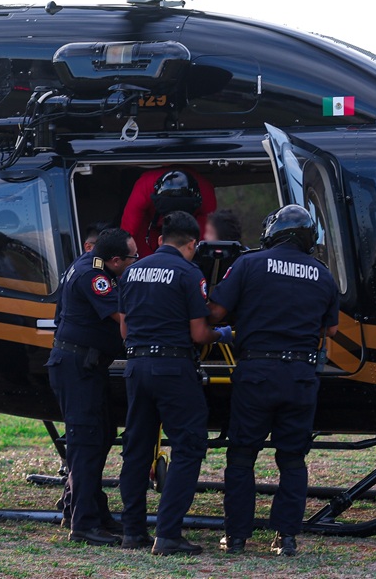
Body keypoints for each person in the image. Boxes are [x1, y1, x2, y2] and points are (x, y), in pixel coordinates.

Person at [208, 204, 340, 556]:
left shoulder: (249, 263)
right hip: (300, 376)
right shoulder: (322, 274)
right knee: (293, 459)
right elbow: (331, 328)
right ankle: (286, 537)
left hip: (257, 373)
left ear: (273, 233)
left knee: (241, 457)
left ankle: (236, 537)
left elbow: (215, 310)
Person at [117, 211, 232, 555]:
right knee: (188, 445)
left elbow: (124, 331)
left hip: (136, 365)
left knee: (136, 449)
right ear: (192, 243)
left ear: (162, 238)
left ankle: (133, 532)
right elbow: (199, 333)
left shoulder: (132, 270)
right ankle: (167, 534)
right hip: (173, 367)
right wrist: (223, 333)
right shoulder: (188, 272)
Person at [46, 228, 139, 546]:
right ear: (115, 260)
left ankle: (87, 511)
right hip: (77, 367)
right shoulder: (93, 276)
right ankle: (83, 524)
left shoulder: (91, 264)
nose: (135, 262)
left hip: (87, 366)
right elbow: (124, 319)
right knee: (86, 443)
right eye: (132, 258)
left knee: (100, 436)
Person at [121, 167, 217, 258]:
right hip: (151, 226)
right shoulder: (145, 186)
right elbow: (128, 232)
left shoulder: (206, 193)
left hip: (189, 227)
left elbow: (207, 239)